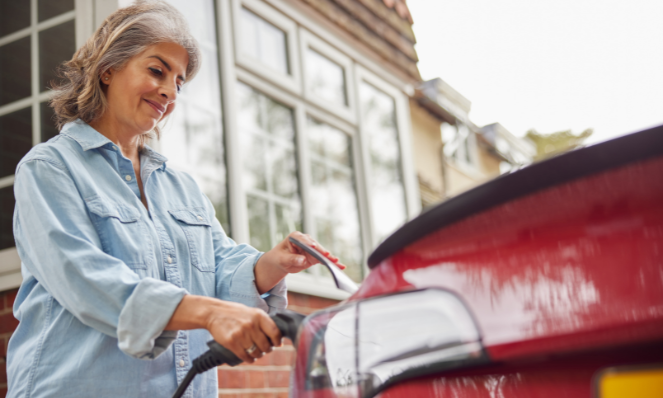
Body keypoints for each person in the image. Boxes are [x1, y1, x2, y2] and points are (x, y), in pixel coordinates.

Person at [6, 2, 343, 397]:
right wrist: (210, 313)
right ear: (108, 69)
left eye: (179, 82)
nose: (169, 91)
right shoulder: (50, 168)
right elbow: (85, 279)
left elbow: (219, 266)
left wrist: (270, 265)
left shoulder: (181, 186)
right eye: (156, 70)